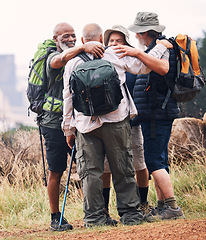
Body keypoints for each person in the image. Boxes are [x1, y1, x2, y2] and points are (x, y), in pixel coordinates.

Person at [62, 23, 171, 227]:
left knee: (91, 173)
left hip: (86, 125)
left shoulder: (73, 63)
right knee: (123, 167)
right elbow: (144, 66)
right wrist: (162, 46)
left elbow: (68, 97)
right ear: (102, 38)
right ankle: (130, 214)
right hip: (116, 120)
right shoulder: (114, 54)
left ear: (83, 41)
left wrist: (68, 129)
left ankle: (94, 219)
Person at [39, 22, 104, 231]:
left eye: (73, 35)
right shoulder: (52, 56)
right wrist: (82, 47)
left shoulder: (77, 57)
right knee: (56, 172)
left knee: (88, 167)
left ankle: (96, 214)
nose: (70, 39)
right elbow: (58, 62)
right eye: (65, 36)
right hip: (52, 123)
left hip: (76, 122)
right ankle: (55, 218)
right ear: (56, 38)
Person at [127, 12, 185, 220]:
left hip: (157, 113)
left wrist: (136, 53)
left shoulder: (161, 48)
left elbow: (162, 69)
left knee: (154, 161)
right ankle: (163, 206)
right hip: (156, 112)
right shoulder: (157, 48)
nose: (135, 37)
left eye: (136, 33)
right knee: (158, 159)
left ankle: (173, 207)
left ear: (144, 32)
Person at [101, 25, 150, 216]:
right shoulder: (103, 62)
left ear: (126, 44)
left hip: (132, 123)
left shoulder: (133, 63)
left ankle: (143, 203)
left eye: (118, 41)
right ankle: (104, 208)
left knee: (139, 163)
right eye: (111, 41)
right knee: (106, 168)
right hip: (110, 123)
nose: (113, 44)